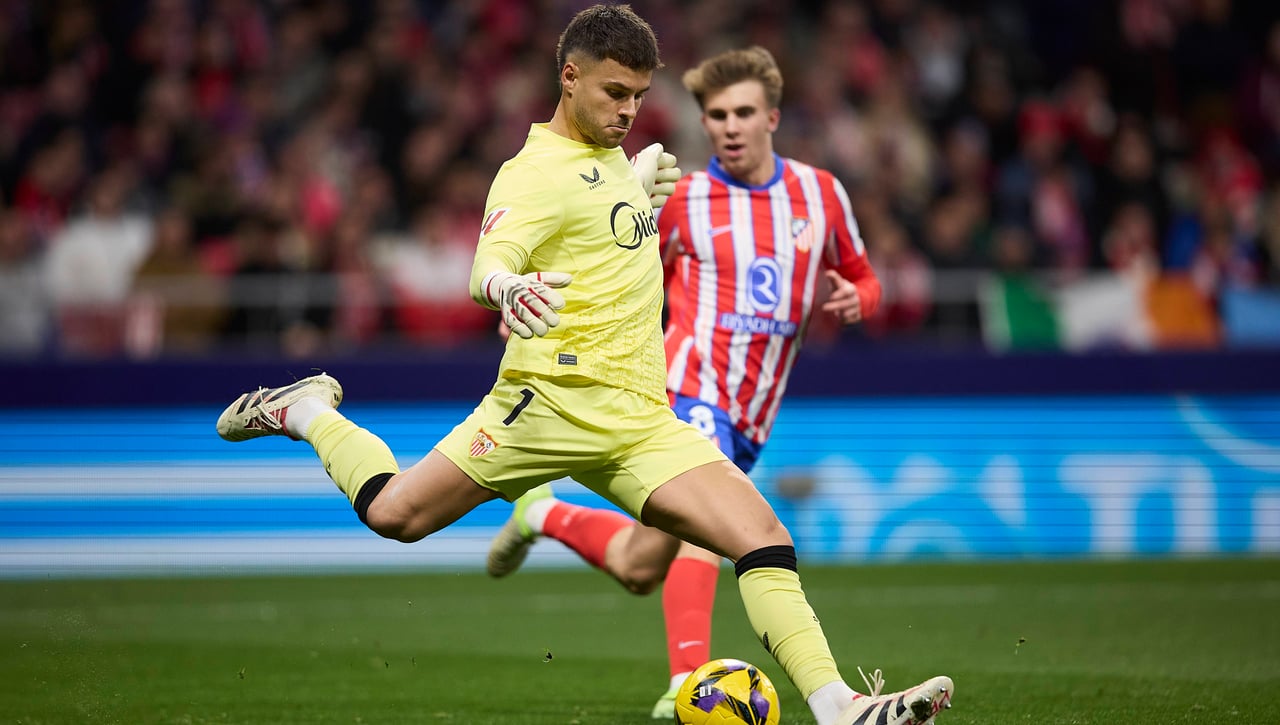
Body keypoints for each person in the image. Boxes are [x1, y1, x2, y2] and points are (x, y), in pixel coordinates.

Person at [216, 8, 952, 725]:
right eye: (614, 93)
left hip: (639, 419)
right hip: (544, 408)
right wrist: (510, 285)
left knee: (763, 537)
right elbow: (488, 263)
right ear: (568, 78)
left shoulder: (612, 163)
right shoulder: (531, 172)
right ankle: (308, 409)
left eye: (638, 95)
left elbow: (599, 237)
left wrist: (633, 201)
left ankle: (841, 708)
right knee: (394, 513)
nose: (630, 109)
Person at [484, 45, 922, 721]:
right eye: (716, 115)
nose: (729, 126)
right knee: (711, 538)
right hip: (685, 392)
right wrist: (528, 310)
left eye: (744, 112)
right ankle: (691, 683)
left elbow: (864, 273)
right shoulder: (682, 198)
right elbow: (608, 271)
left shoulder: (821, 195)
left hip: (753, 414)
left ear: (772, 116)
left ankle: (540, 514)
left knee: (639, 565)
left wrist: (861, 296)